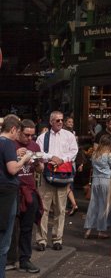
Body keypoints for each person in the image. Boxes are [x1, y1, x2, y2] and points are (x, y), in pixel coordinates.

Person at [35, 110, 78, 252]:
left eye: (61, 120)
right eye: (57, 120)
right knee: (44, 209)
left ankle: (57, 239)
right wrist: (52, 157)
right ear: (51, 121)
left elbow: (74, 151)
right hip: (47, 175)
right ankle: (41, 240)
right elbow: (39, 153)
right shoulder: (42, 137)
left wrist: (62, 160)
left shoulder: (69, 135)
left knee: (60, 209)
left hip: (62, 176)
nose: (60, 122)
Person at [6, 118, 42, 274]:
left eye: (32, 135)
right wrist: (15, 154)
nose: (29, 139)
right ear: (19, 131)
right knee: (10, 227)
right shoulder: (11, 144)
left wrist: (38, 164)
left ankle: (25, 259)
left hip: (30, 189)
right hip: (13, 190)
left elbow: (40, 169)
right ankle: (9, 258)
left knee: (27, 227)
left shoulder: (34, 146)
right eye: (26, 135)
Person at [0, 115, 35, 275]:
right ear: (13, 129)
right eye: (18, 132)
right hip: (7, 193)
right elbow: (12, 169)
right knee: (4, 239)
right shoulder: (7, 143)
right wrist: (25, 159)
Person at [84, 134, 111, 240]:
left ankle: (88, 229)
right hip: (106, 181)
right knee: (103, 206)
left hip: (95, 181)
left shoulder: (95, 154)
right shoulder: (108, 155)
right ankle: (101, 231)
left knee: (93, 204)